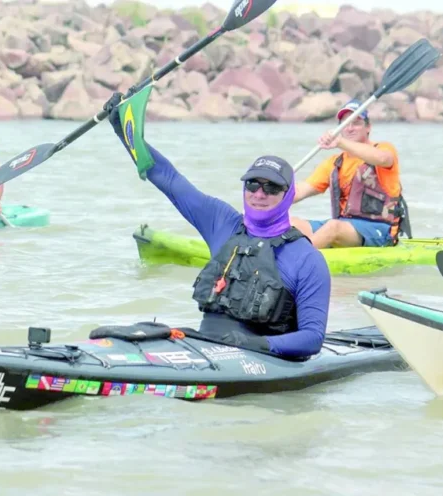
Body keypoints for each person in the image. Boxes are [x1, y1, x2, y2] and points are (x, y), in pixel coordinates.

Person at [103, 93, 331, 360]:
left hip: (259, 359)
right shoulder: (222, 223)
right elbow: (168, 177)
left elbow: (313, 338)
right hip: (203, 346)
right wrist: (127, 133)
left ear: (288, 195)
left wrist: (259, 345)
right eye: (252, 184)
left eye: (271, 187)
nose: (259, 194)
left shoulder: (306, 259)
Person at [291, 99, 409, 249]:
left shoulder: (383, 149)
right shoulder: (334, 163)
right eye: (345, 123)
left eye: (356, 122)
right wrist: (264, 197)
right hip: (344, 227)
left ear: (368, 127)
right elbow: (300, 191)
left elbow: (382, 159)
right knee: (291, 224)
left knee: (333, 227)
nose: (350, 128)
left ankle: (297, 262)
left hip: (380, 230)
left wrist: (340, 142)